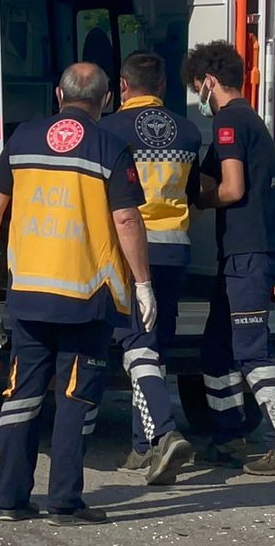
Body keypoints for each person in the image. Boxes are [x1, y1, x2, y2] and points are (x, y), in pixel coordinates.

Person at [0, 62, 157, 525]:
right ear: (106, 101)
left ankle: (11, 499)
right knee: (75, 399)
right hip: (86, 298)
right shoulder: (110, 147)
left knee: (21, 394)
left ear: (58, 94)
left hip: (30, 292)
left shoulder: (23, 139)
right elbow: (127, 220)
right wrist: (143, 283)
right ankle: (65, 502)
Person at [184, 40, 275, 476]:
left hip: (248, 253)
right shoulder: (251, 121)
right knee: (216, 350)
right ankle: (228, 435)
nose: (197, 95)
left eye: (197, 86)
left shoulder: (228, 124)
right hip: (246, 252)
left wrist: (198, 200)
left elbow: (232, 188)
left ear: (210, 82)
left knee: (251, 350)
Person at [101, 51, 202, 485]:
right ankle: (141, 447)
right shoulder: (191, 131)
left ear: (123, 86)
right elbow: (193, 193)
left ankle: (163, 433)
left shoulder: (108, 131)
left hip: (131, 251)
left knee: (136, 343)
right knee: (154, 344)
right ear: (162, 87)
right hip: (175, 251)